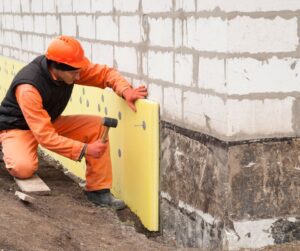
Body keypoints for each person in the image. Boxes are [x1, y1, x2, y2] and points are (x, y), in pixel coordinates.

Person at [0, 35, 148, 210]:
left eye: (79, 70)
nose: (79, 76)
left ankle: (98, 192)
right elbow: (46, 137)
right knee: (23, 168)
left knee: (97, 127)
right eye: (74, 73)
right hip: (18, 128)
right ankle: (6, 144)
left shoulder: (70, 69)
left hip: (47, 122)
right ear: (57, 68)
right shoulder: (29, 88)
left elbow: (105, 74)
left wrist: (125, 90)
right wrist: (84, 149)